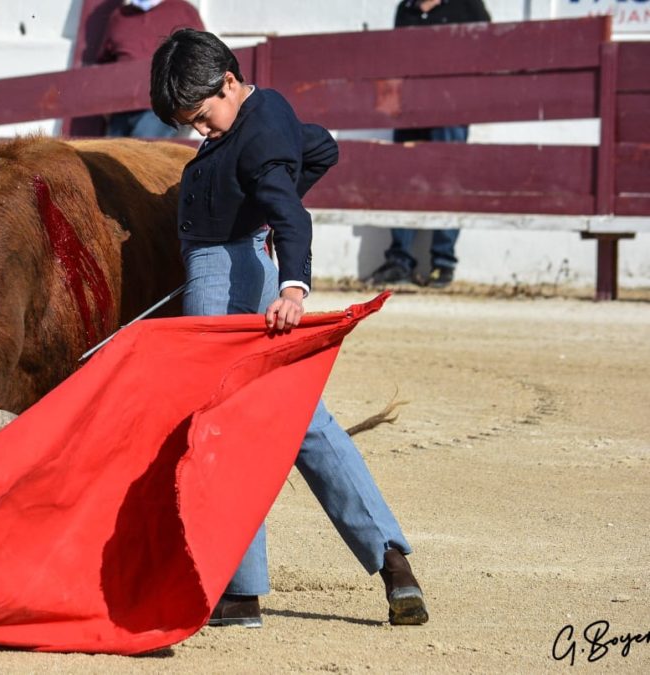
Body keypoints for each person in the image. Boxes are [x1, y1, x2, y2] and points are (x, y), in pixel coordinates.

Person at [150, 28, 428, 628]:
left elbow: (289, 209)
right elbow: (322, 147)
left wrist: (293, 286)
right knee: (300, 416)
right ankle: (391, 559)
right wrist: (262, 218)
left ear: (229, 81)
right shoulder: (269, 114)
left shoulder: (257, 139)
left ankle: (241, 589)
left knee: (220, 419)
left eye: (202, 117)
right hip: (246, 260)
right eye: (190, 126)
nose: (199, 132)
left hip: (224, 277)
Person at [368, 0, 492, 288]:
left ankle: (443, 262)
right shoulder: (406, 9)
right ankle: (400, 261)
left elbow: (488, 51)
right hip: (410, 107)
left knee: (448, 179)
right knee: (405, 180)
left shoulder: (468, 5)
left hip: (453, 107)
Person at [96, 0, 205, 138]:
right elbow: (105, 63)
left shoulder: (184, 11)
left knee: (139, 150)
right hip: (121, 108)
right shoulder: (119, 17)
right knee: (108, 154)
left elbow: (201, 57)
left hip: (165, 106)